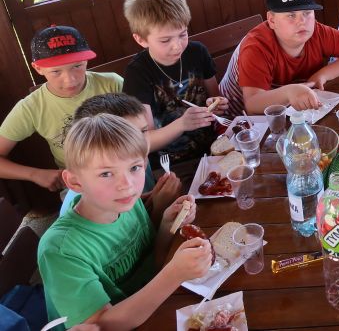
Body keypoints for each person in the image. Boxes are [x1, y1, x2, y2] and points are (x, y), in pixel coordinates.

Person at [37, 114, 212, 330]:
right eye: (106, 173)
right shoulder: (61, 249)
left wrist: (167, 224)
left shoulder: (125, 202)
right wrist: (174, 274)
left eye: (134, 168)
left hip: (151, 305)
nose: (127, 184)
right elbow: (102, 326)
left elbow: (152, 258)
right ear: (75, 182)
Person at [219, 0, 339, 115]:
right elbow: (252, 104)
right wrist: (289, 92)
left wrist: (324, 74)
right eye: (291, 15)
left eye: (307, 13)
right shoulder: (256, 46)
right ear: (272, 20)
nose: (302, 21)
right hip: (237, 120)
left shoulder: (317, 31)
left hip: (290, 111)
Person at [0, 25, 122, 191]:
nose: (70, 80)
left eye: (77, 66)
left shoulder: (112, 83)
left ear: (86, 60)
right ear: (38, 68)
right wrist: (34, 174)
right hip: (79, 183)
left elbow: (142, 127)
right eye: (56, 71)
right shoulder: (31, 107)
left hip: (125, 166)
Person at [122, 0, 228, 174]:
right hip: (170, 167)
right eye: (165, 40)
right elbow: (144, 141)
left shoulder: (197, 52)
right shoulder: (137, 73)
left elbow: (216, 98)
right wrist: (182, 124)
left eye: (183, 34)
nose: (177, 46)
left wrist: (217, 104)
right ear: (141, 39)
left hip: (215, 149)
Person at [59, 92, 183, 219]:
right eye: (129, 136)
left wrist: (152, 198)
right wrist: (160, 208)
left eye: (143, 131)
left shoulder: (134, 159)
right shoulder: (89, 193)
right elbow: (138, 232)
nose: (140, 142)